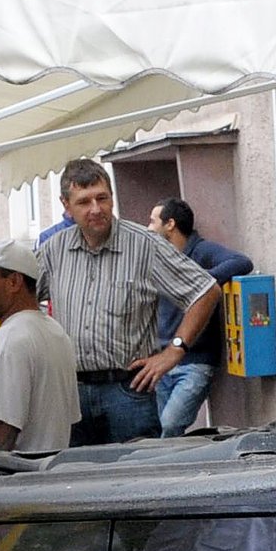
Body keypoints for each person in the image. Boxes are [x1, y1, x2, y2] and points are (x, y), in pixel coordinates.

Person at [36, 160, 219, 446]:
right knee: (74, 481)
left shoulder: (145, 244)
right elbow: (19, 302)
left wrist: (174, 351)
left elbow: (205, 291)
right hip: (71, 394)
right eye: (84, 202)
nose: (96, 209)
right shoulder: (53, 250)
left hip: (128, 391)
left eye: (102, 198)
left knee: (135, 482)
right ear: (66, 206)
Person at [0, 240, 79, 455]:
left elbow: (4, 429)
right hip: (48, 474)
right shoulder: (55, 331)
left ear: (14, 282)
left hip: (13, 479)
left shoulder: (12, 338)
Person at [143, 201, 249, 436]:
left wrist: (198, 283)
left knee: (170, 424)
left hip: (196, 362)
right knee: (160, 429)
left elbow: (242, 262)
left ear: (170, 224)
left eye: (153, 221)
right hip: (162, 359)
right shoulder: (158, 255)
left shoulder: (201, 250)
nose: (148, 227)